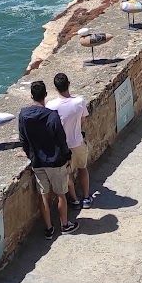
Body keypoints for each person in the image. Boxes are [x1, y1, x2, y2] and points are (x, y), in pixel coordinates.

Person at [17, 80, 78, 237]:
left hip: (38, 162)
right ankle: (65, 225)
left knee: (43, 195)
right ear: (45, 95)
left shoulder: (23, 115)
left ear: (32, 96)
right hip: (56, 161)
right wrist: (67, 156)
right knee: (61, 194)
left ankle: (49, 229)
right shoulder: (52, 116)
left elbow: (23, 140)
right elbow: (61, 140)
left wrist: (30, 155)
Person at [47, 72, 91, 207]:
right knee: (83, 168)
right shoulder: (79, 101)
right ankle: (86, 197)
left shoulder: (51, 106)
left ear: (55, 88)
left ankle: (75, 199)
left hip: (63, 147)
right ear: (69, 84)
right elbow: (83, 120)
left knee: (68, 174)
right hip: (78, 142)